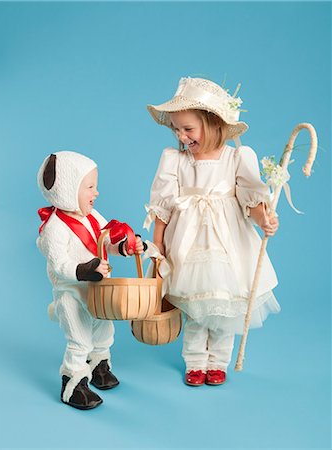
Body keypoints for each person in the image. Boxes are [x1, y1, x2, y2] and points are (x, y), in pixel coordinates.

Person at [144, 76, 280, 386]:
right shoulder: (174, 160)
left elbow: (249, 199)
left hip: (226, 242)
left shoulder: (237, 158)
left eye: (188, 128)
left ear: (213, 123)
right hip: (188, 242)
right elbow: (162, 207)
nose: (181, 135)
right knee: (195, 306)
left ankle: (218, 360)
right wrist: (157, 246)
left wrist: (264, 218)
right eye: (176, 128)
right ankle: (195, 361)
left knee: (223, 306)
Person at [37, 151, 144, 409]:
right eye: (90, 187)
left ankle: (99, 367)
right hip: (70, 294)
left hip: (97, 289)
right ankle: (73, 384)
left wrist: (126, 247)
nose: (96, 193)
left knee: (104, 331)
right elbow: (60, 264)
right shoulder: (55, 228)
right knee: (80, 339)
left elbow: (107, 240)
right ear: (66, 188)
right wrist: (84, 270)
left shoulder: (93, 217)